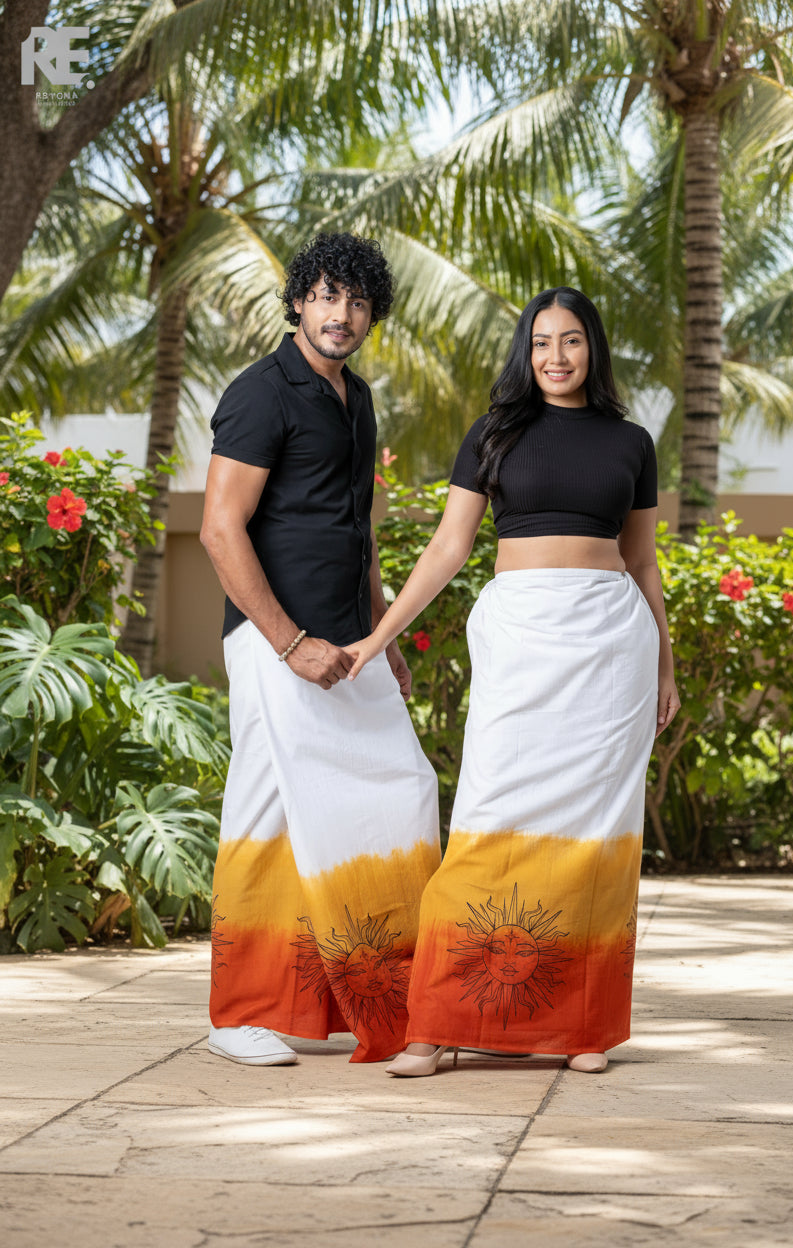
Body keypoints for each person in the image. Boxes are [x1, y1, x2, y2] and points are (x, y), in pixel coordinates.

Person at [346, 286, 680, 1076]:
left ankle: (580, 1028)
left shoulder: (631, 442)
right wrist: (378, 635)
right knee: (488, 814)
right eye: (540, 343)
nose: (555, 357)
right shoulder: (493, 433)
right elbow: (446, 548)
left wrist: (666, 663)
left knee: (596, 834)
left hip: (610, 644)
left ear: (592, 349)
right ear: (524, 354)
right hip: (521, 636)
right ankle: (434, 1024)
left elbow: (643, 562)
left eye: (570, 341)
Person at [200, 232, 440, 1066]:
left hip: (349, 643)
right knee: (267, 816)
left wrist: (384, 638)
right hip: (279, 643)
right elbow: (219, 528)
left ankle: (360, 995)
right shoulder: (260, 393)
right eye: (328, 295)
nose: (342, 314)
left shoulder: (358, 398)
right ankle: (240, 1013)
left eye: (359, 301)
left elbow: (358, 531)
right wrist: (290, 641)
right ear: (299, 299)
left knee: (399, 795)